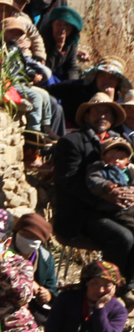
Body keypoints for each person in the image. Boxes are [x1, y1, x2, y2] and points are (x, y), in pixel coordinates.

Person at [50, 93, 131, 274]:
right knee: (122, 238)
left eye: (107, 112)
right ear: (87, 116)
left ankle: (129, 286)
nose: (102, 116)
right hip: (80, 213)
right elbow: (67, 180)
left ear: (113, 118)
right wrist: (103, 195)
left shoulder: (118, 143)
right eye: (97, 111)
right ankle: (109, 286)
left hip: (113, 210)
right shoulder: (71, 142)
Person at [58, 59, 131, 131]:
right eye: (102, 75)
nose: (106, 80)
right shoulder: (76, 87)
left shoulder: (121, 102)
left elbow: (109, 128)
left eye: (112, 77)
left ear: (118, 82)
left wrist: (110, 103)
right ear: (95, 77)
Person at [38, 6, 84, 86]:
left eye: (66, 26)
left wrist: (73, 85)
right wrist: (58, 47)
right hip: (44, 77)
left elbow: (71, 67)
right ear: (52, 24)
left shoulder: (70, 42)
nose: (62, 29)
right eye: (58, 24)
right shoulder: (42, 38)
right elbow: (45, 68)